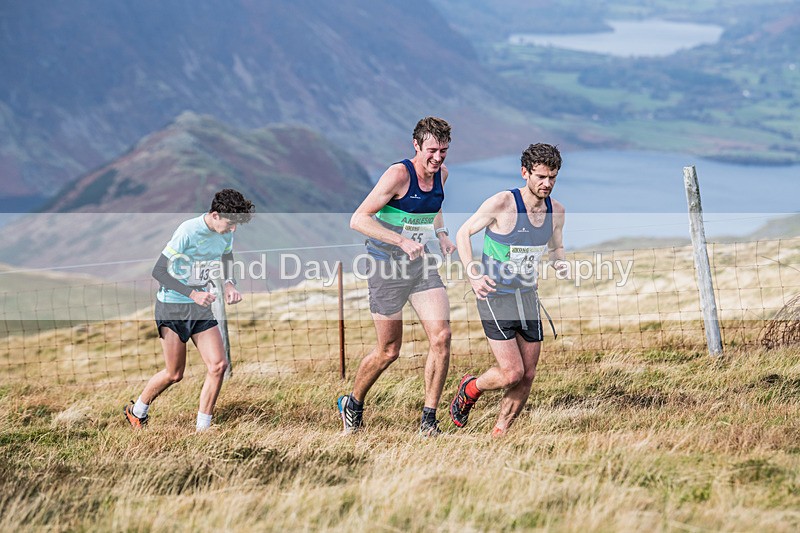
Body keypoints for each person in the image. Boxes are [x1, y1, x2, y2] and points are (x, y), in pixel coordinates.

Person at [339, 117, 456, 436]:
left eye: (444, 151)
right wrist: (400, 241)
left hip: (420, 265)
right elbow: (358, 219)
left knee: (441, 337)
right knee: (389, 350)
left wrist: (442, 234)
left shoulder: (442, 174)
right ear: (416, 146)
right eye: (431, 150)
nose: (437, 158)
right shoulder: (398, 175)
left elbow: (433, 206)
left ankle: (429, 422)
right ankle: (353, 403)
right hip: (386, 266)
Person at [449, 143, 568, 436]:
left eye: (552, 177)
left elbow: (557, 245)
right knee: (511, 373)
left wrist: (559, 262)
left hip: (527, 297)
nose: (547, 184)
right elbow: (463, 232)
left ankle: (499, 432)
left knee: (527, 375)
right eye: (540, 177)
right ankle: (470, 388)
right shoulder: (502, 203)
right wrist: (473, 273)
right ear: (524, 173)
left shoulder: (557, 211)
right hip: (495, 296)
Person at [124, 188, 255, 431]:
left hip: (200, 309)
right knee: (175, 374)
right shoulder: (187, 231)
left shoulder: (226, 233)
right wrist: (193, 293)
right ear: (215, 215)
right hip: (172, 307)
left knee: (218, 366)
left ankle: (202, 430)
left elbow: (227, 257)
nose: (233, 229)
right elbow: (159, 272)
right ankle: (137, 410)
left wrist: (228, 284)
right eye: (230, 222)